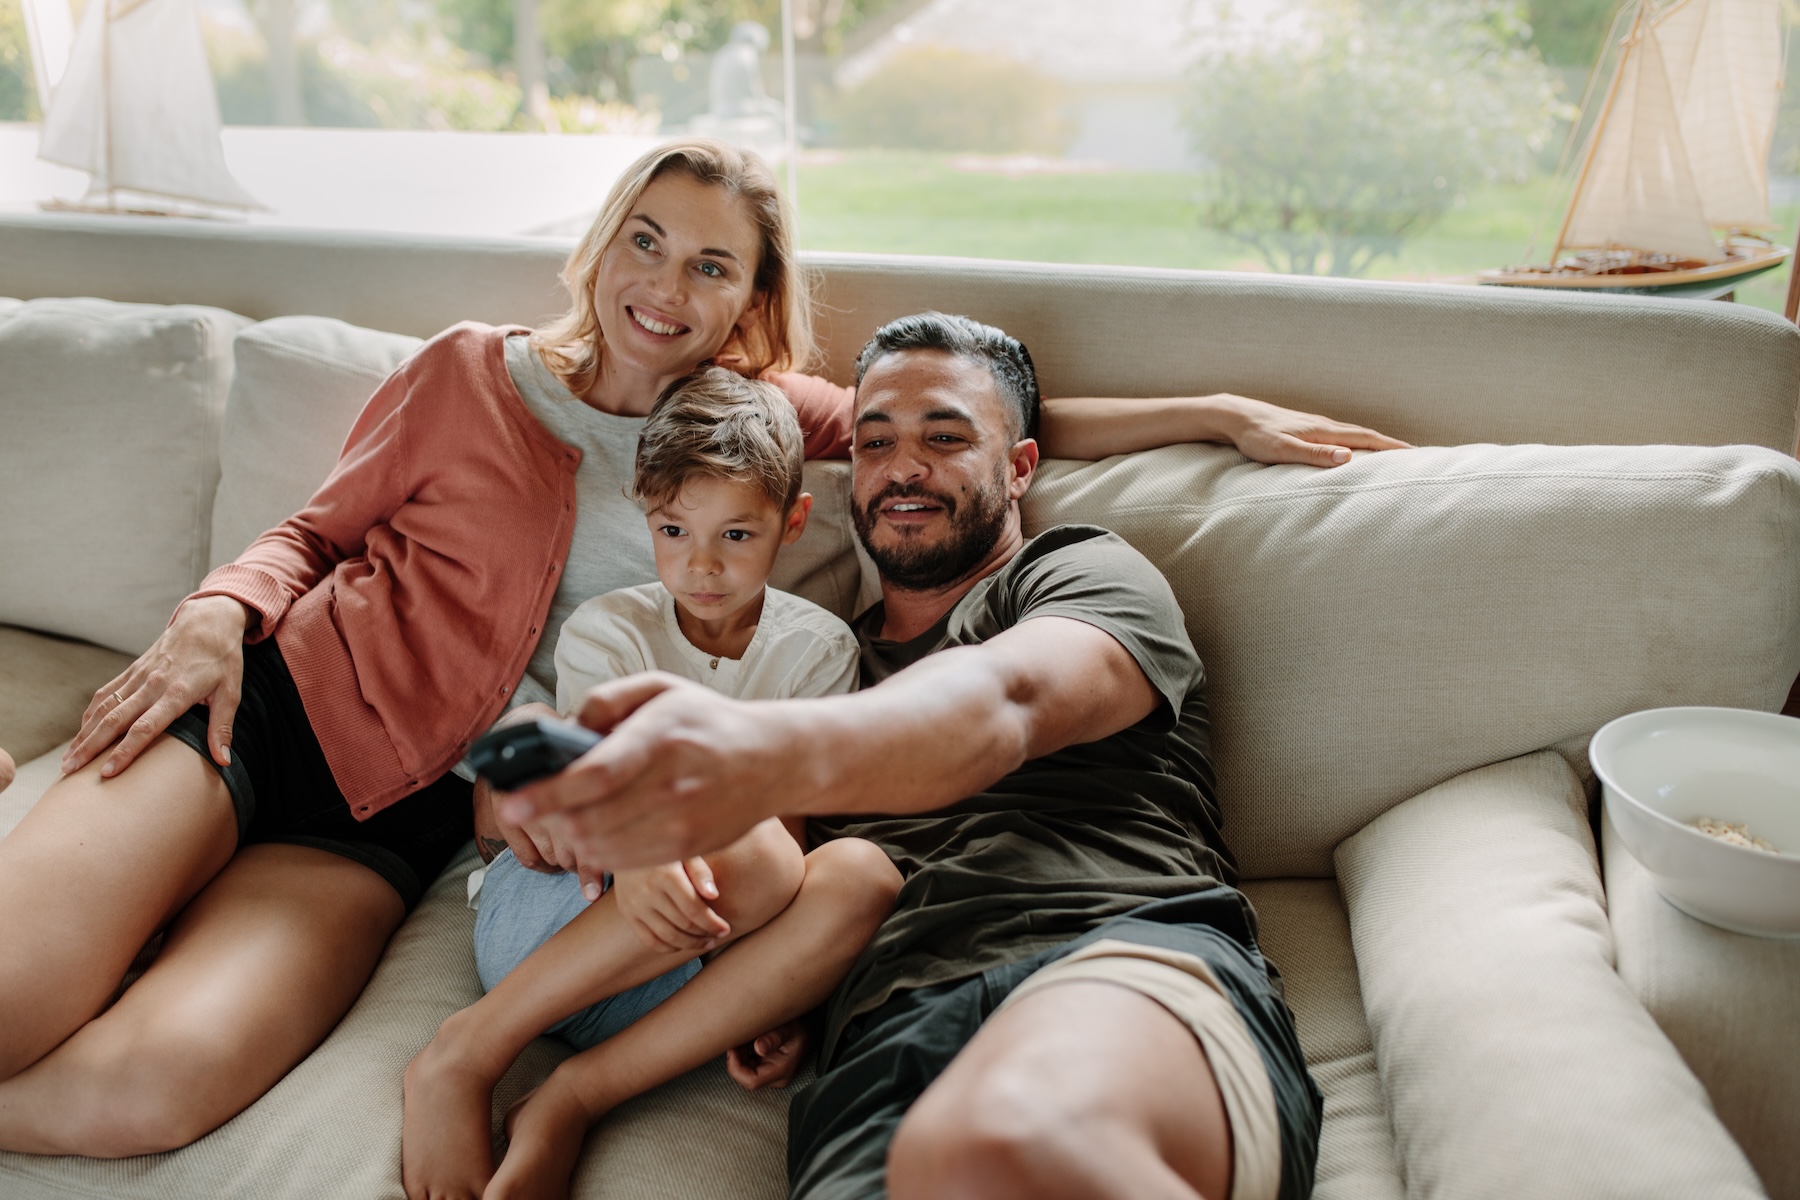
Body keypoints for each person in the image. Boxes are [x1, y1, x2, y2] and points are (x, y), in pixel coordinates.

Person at [0, 133, 1395, 1161]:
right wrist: (211, 615)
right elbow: (311, 534)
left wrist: (1219, 410)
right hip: (270, 714)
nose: (667, 284)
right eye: (648, 241)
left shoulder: (769, 421)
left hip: (395, 820)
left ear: (748, 301)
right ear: (605, 245)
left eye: (712, 264)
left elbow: (973, 420)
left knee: (141, 1098)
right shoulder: (469, 372)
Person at [503, 312, 1322, 1200]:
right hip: (881, 1047)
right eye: (875, 441)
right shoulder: (815, 665)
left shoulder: (1079, 574)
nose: (902, 467)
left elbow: (1003, 705)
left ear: (1019, 469)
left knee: (998, 1141)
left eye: (945, 437)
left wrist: (754, 752)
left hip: (1108, 959)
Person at [402, 367, 902, 1200]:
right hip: (563, 917)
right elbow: (588, 794)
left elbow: (785, 846)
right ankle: (466, 1052)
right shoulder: (611, 631)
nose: (701, 566)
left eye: (736, 537)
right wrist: (642, 851)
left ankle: (572, 1095)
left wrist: (785, 993)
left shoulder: (815, 649)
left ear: (793, 523)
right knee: (735, 844)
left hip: (693, 966)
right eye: (674, 531)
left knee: (862, 876)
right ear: (647, 520)